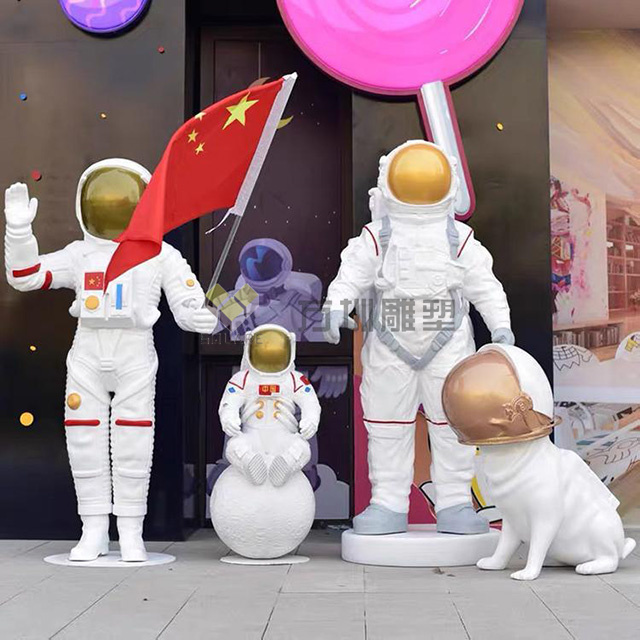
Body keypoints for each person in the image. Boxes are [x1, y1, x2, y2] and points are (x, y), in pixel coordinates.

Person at [4, 159, 216, 561]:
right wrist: (18, 231)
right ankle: (94, 528)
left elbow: (186, 302)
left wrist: (197, 315)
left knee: (134, 438)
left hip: (134, 351)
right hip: (87, 350)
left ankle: (131, 530)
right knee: (83, 436)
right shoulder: (79, 254)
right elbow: (26, 275)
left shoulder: (160, 255)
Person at [324, 140, 514, 535]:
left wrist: (500, 326)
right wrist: (336, 306)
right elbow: (351, 275)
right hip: (390, 344)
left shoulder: (458, 238)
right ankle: (388, 504)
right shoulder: (377, 236)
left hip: (447, 344)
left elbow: (485, 286)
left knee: (452, 425)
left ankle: (455, 503)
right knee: (387, 426)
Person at [219, 324, 321, 487]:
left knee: (302, 448)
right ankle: (249, 462)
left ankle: (286, 464)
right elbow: (229, 401)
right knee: (234, 446)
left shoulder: (295, 379)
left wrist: (311, 420)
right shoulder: (242, 379)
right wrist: (229, 418)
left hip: (284, 434)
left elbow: (310, 402)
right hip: (251, 434)